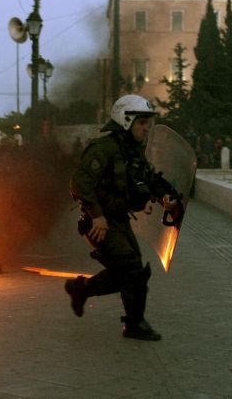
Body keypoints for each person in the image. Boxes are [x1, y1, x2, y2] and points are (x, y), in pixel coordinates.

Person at [65, 94, 181, 341]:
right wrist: (96, 215)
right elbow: (79, 183)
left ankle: (81, 290)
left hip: (118, 220)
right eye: (142, 123)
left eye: (148, 123)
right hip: (99, 224)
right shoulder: (103, 148)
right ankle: (134, 324)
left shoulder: (133, 150)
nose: (146, 128)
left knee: (129, 272)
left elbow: (148, 178)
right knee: (131, 270)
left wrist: (166, 197)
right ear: (126, 120)